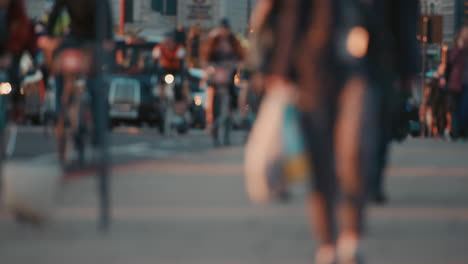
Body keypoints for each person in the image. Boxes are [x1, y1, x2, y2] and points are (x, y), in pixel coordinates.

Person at [249, 0, 419, 263]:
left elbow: (403, 9)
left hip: (368, 64)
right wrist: (278, 66)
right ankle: (328, 243)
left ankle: (352, 237)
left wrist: (409, 63)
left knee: (356, 150)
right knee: (321, 158)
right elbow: (287, 11)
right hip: (312, 63)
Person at [40, 0, 113, 163]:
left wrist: (108, 38)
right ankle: (61, 111)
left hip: (95, 39)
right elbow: (55, 13)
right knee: (60, 69)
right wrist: (48, 37)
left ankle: (99, 132)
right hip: (74, 38)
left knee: (96, 84)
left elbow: (106, 14)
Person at [202, 18, 245, 132]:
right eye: (221, 28)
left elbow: (241, 54)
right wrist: (207, 65)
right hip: (216, 72)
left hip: (230, 71)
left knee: (233, 90)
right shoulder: (213, 39)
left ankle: (233, 113)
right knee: (211, 91)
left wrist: (239, 64)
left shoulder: (233, 40)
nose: (223, 31)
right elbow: (206, 54)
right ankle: (211, 119)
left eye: (225, 29)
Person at [152, 32, 188, 119]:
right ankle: (160, 101)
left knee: (179, 85)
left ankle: (179, 111)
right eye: (166, 41)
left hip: (176, 71)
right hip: (165, 70)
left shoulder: (179, 47)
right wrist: (157, 55)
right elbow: (155, 54)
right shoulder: (160, 47)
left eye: (170, 41)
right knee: (159, 82)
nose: (168, 43)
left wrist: (180, 55)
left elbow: (182, 55)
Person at [447, 26, 468, 139]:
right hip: (456, 83)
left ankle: (462, 130)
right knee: (455, 108)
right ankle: (456, 131)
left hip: (466, 83)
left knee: (464, 108)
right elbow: (451, 61)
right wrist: (459, 48)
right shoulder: (457, 48)